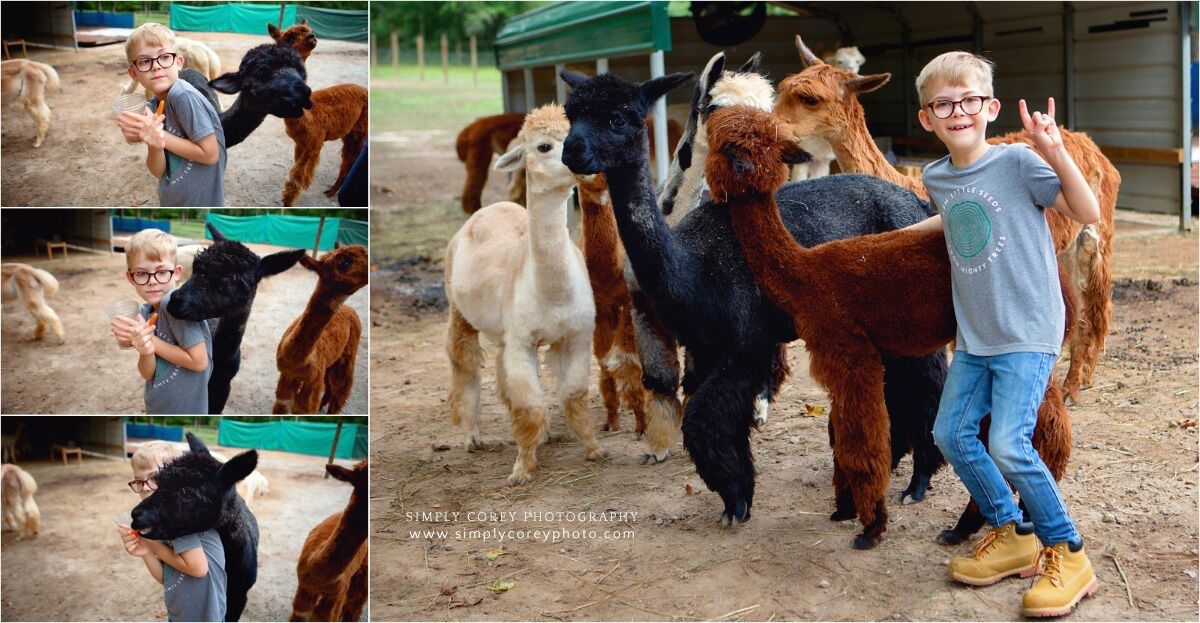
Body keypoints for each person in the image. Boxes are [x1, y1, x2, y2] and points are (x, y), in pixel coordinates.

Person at [904, 51, 1101, 617]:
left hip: (1028, 328)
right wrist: (892, 241)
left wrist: (1055, 151)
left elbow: (1084, 210)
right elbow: (955, 214)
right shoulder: (937, 176)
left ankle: (1067, 549)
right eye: (943, 103)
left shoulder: (1017, 163)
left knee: (1009, 444)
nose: (957, 111)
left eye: (968, 100)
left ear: (988, 107)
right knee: (950, 433)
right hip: (976, 336)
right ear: (928, 118)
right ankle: (1011, 534)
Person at [117, 23, 226, 207]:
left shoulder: (182, 95)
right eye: (144, 61)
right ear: (133, 73)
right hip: (171, 199)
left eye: (165, 57)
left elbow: (210, 154)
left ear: (178, 63)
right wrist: (153, 143)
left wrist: (160, 135)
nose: (156, 66)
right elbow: (159, 172)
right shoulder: (153, 107)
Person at [118, 440, 226, 621]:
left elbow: (198, 568)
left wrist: (153, 544)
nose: (144, 487)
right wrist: (146, 552)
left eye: (154, 478)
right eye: (139, 481)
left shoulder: (181, 518)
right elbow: (168, 578)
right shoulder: (161, 520)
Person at [110, 228, 212, 414]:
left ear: (176, 273)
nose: (152, 281)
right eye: (141, 273)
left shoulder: (174, 306)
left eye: (162, 271)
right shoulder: (144, 312)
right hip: (157, 405)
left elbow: (199, 362)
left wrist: (152, 341)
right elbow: (148, 374)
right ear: (130, 278)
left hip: (186, 409)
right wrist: (144, 349)